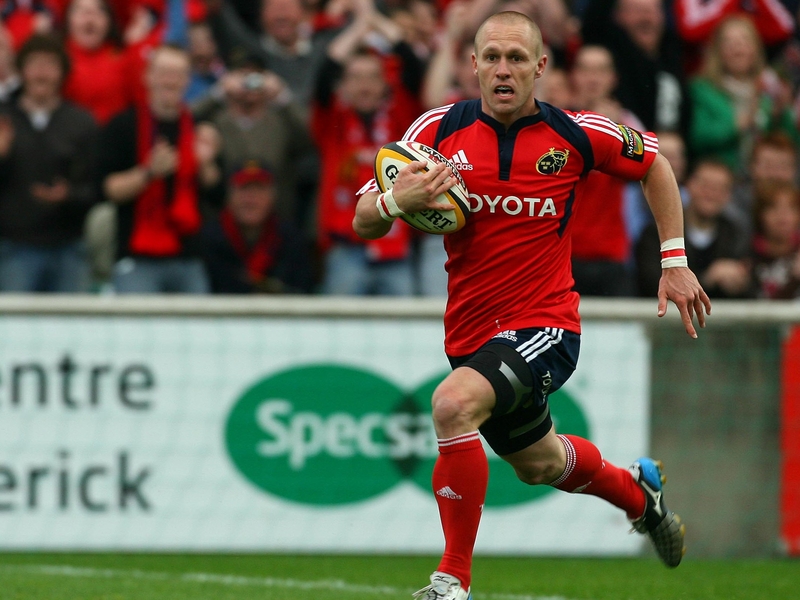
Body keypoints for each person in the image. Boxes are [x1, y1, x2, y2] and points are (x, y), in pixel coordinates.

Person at [353, 11, 710, 600]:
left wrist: (674, 260)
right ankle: (638, 495)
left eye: (516, 58)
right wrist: (397, 197)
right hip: (470, 333)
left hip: (546, 324)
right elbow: (364, 219)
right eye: (491, 56)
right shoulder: (437, 129)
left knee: (451, 406)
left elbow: (656, 165)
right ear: (472, 65)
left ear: (540, 68)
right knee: (540, 464)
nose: (502, 69)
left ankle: (451, 581)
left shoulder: (575, 133)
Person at [99, 44, 221, 293]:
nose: (170, 81)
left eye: (178, 74)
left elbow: (218, 195)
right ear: (148, 76)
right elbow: (108, 190)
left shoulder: (200, 129)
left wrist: (206, 163)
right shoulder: (122, 126)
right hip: (137, 256)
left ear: (188, 81)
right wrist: (148, 173)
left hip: (189, 256)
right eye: (164, 72)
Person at [0, 33, 99, 292]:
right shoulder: (3, 119)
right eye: (34, 64)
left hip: (69, 247)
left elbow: (97, 187)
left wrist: (69, 195)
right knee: (14, 330)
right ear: (21, 70)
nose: (41, 73)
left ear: (62, 73)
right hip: (14, 247)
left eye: (50, 65)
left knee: (73, 330)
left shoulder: (81, 123)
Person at [636, 159, 752, 298]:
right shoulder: (657, 231)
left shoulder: (736, 234)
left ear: (729, 195)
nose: (711, 194)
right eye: (705, 186)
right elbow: (648, 281)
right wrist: (707, 279)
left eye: (720, 188)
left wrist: (740, 282)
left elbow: (749, 284)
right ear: (688, 185)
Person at [201, 160, 313, 294]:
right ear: (229, 196)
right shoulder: (208, 239)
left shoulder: (291, 239)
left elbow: (301, 289)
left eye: (259, 190)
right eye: (243, 189)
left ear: (273, 197)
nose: (250, 200)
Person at [750, 180, 800, 299]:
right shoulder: (746, 255)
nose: (782, 215)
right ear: (760, 214)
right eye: (773, 207)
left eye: (791, 208)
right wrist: (796, 278)